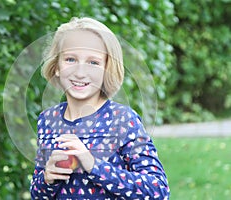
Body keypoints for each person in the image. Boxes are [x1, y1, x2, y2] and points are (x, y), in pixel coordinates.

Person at [30, 17, 170, 199]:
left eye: (93, 62)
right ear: (56, 66)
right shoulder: (48, 120)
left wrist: (93, 165)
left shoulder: (122, 119)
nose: (80, 72)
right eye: (70, 59)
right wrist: (47, 179)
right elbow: (38, 195)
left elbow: (158, 191)